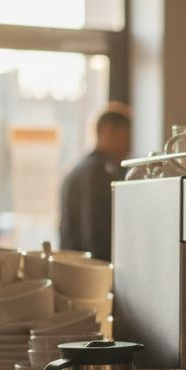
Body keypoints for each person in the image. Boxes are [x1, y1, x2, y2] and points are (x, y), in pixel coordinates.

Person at [60, 104, 132, 261]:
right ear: (108, 132)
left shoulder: (79, 169)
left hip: (74, 268)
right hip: (89, 273)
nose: (129, 145)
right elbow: (96, 235)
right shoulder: (96, 173)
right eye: (126, 135)